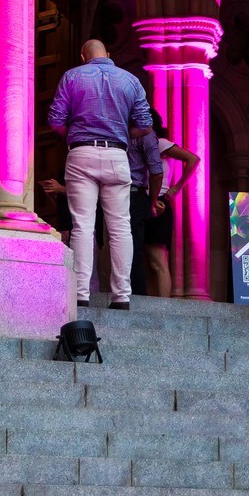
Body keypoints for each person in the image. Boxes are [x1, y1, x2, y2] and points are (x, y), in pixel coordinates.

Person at [46, 39, 154, 308]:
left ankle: (81, 293)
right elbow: (145, 124)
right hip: (117, 155)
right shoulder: (130, 80)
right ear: (108, 53)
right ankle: (122, 296)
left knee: (82, 226)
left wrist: (74, 134)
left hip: (81, 152)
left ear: (83, 57)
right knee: (120, 227)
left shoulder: (72, 76)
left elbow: (55, 120)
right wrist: (121, 134)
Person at [132, 116, 200, 297]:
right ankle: (152, 304)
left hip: (157, 201)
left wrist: (176, 188)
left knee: (158, 261)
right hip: (143, 200)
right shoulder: (139, 144)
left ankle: (164, 306)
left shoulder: (159, 143)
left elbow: (193, 159)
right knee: (146, 262)